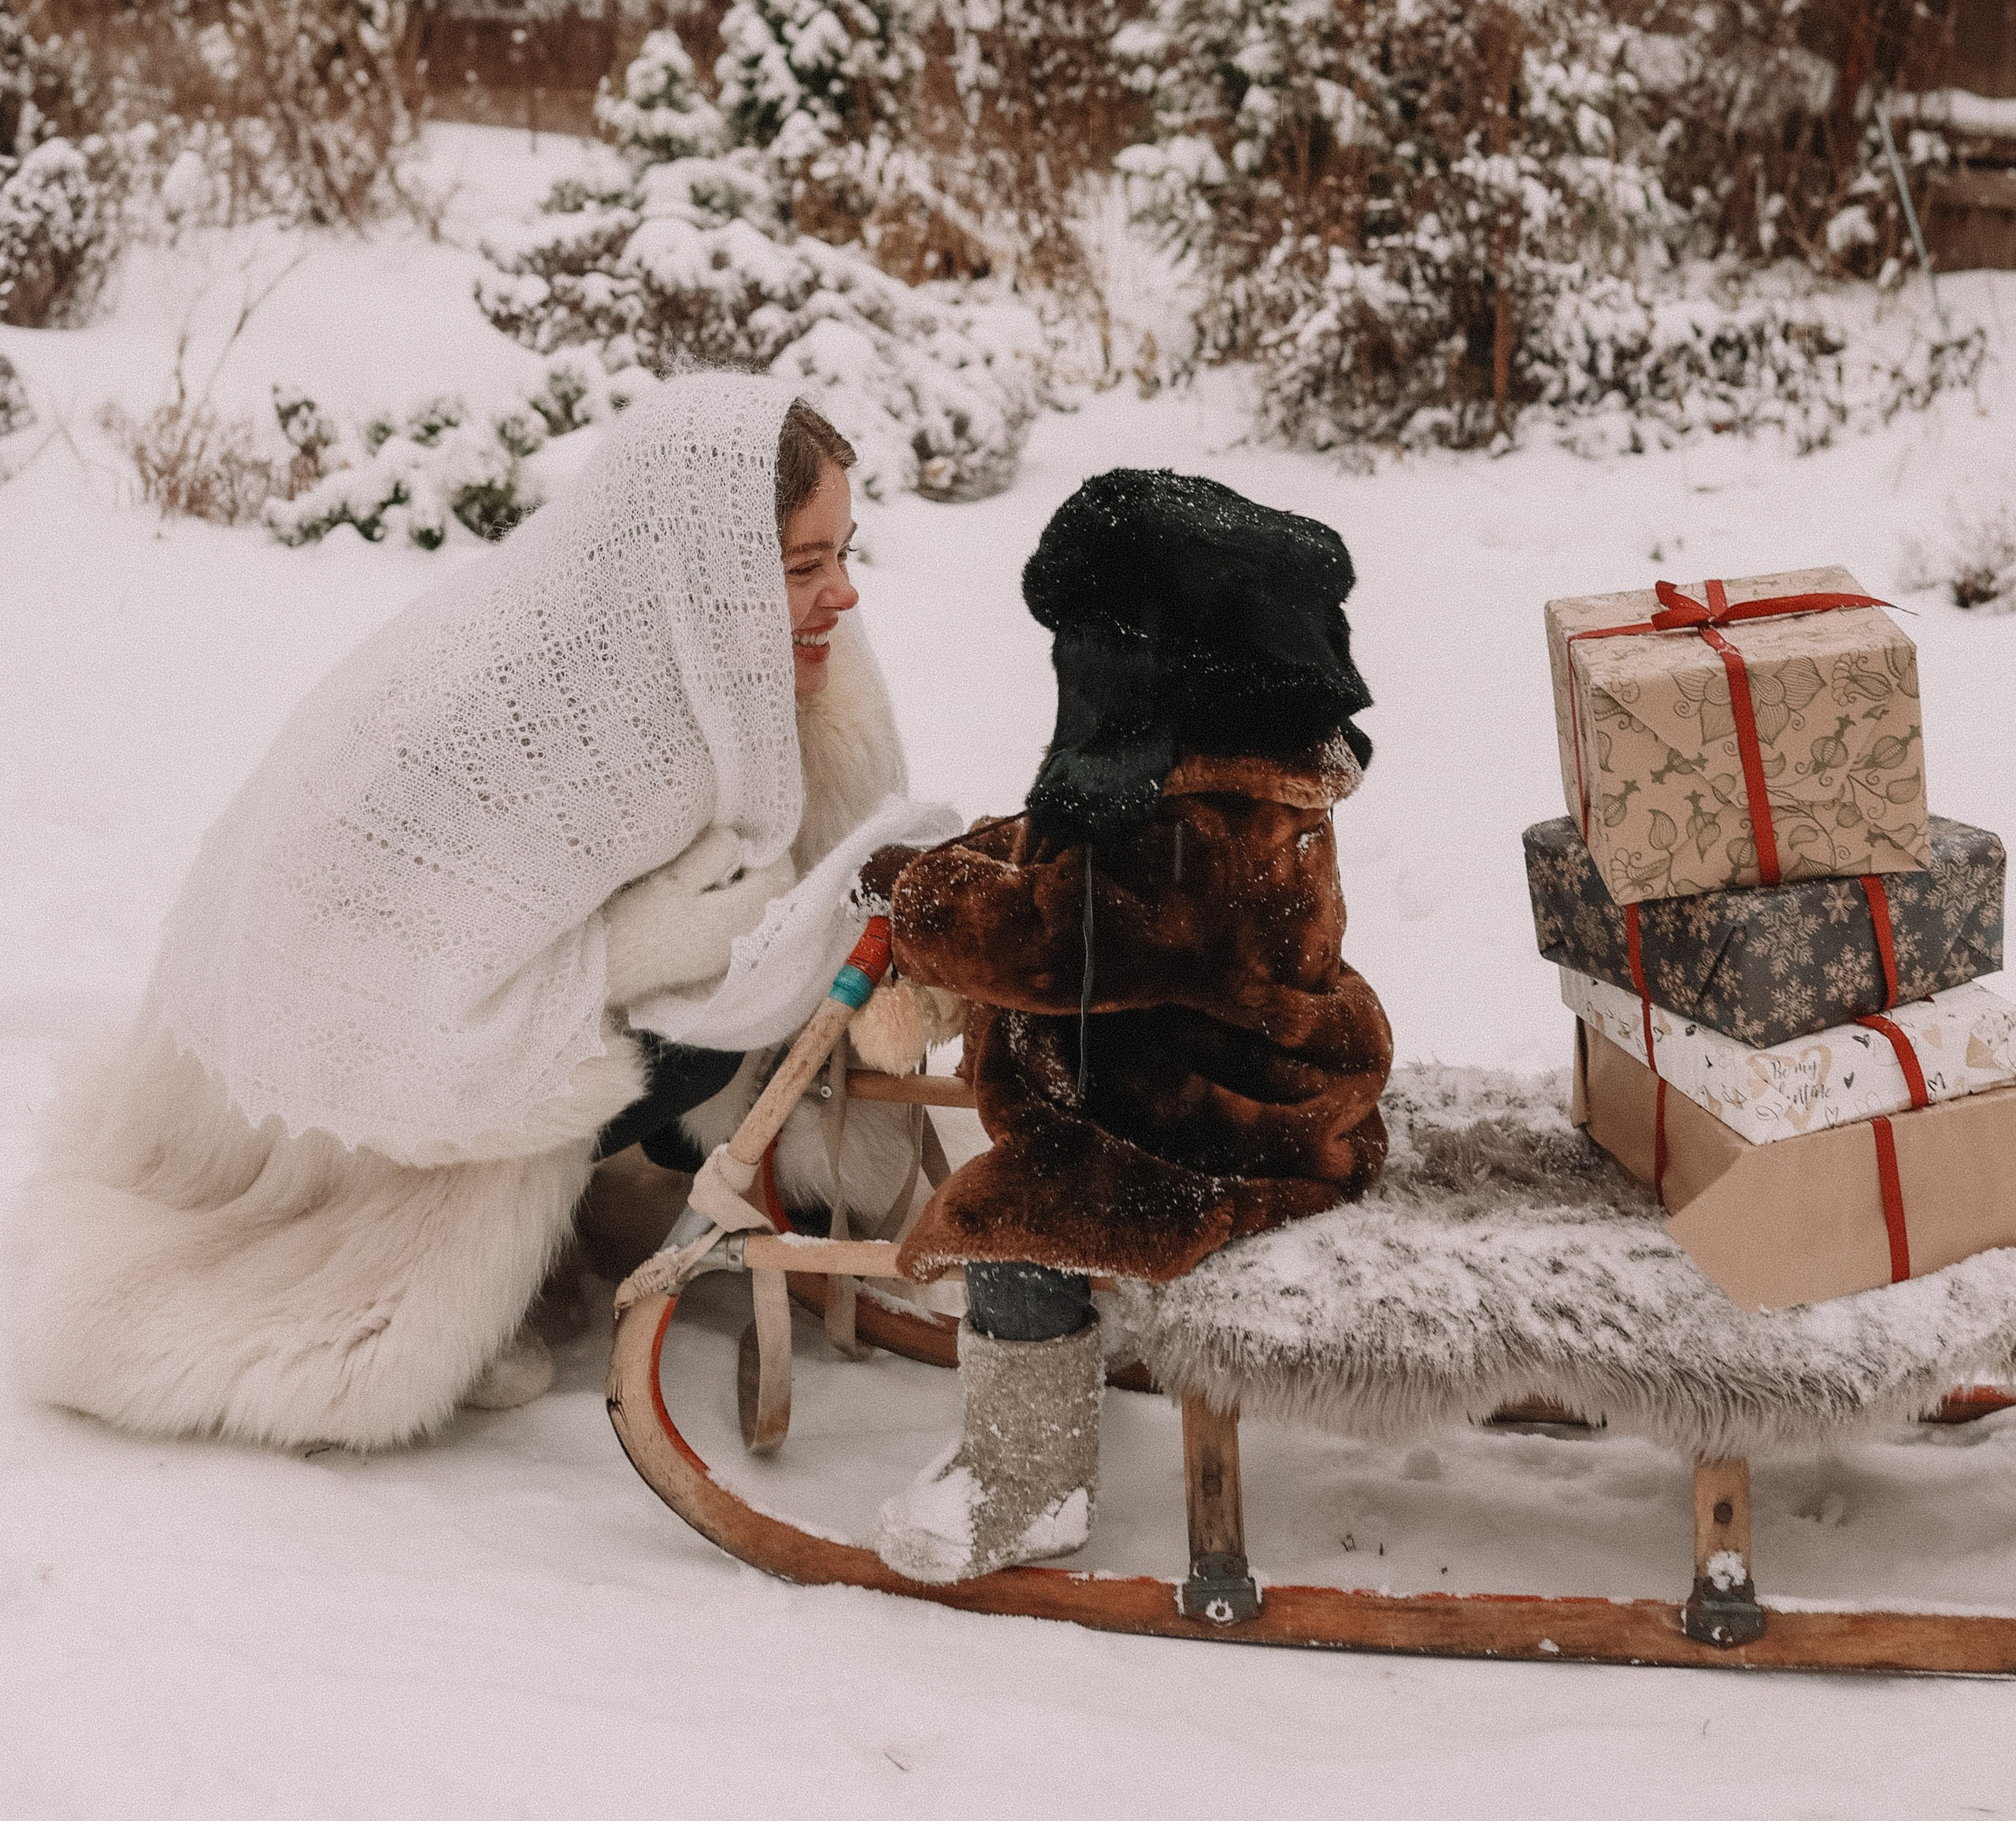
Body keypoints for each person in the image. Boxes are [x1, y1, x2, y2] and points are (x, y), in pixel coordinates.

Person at [11, 376, 937, 1453]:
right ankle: (408, 1256)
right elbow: (416, 982)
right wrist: (675, 941)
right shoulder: (550, 705)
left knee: (706, 1008)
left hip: (375, 1002)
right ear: (708, 569)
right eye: (803, 567)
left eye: (845, 554)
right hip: (318, 1070)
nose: (845, 595)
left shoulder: (698, 656)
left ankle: (599, 1199)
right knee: (687, 1039)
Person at [872, 467, 1392, 1585]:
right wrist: (993, 847)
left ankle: (1029, 1481)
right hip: (1264, 1085)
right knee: (1048, 1172)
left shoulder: (1184, 829)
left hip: (1208, 1133)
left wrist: (919, 894)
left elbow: (1044, 943)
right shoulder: (1248, 783)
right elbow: (1075, 864)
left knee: (1020, 1211)